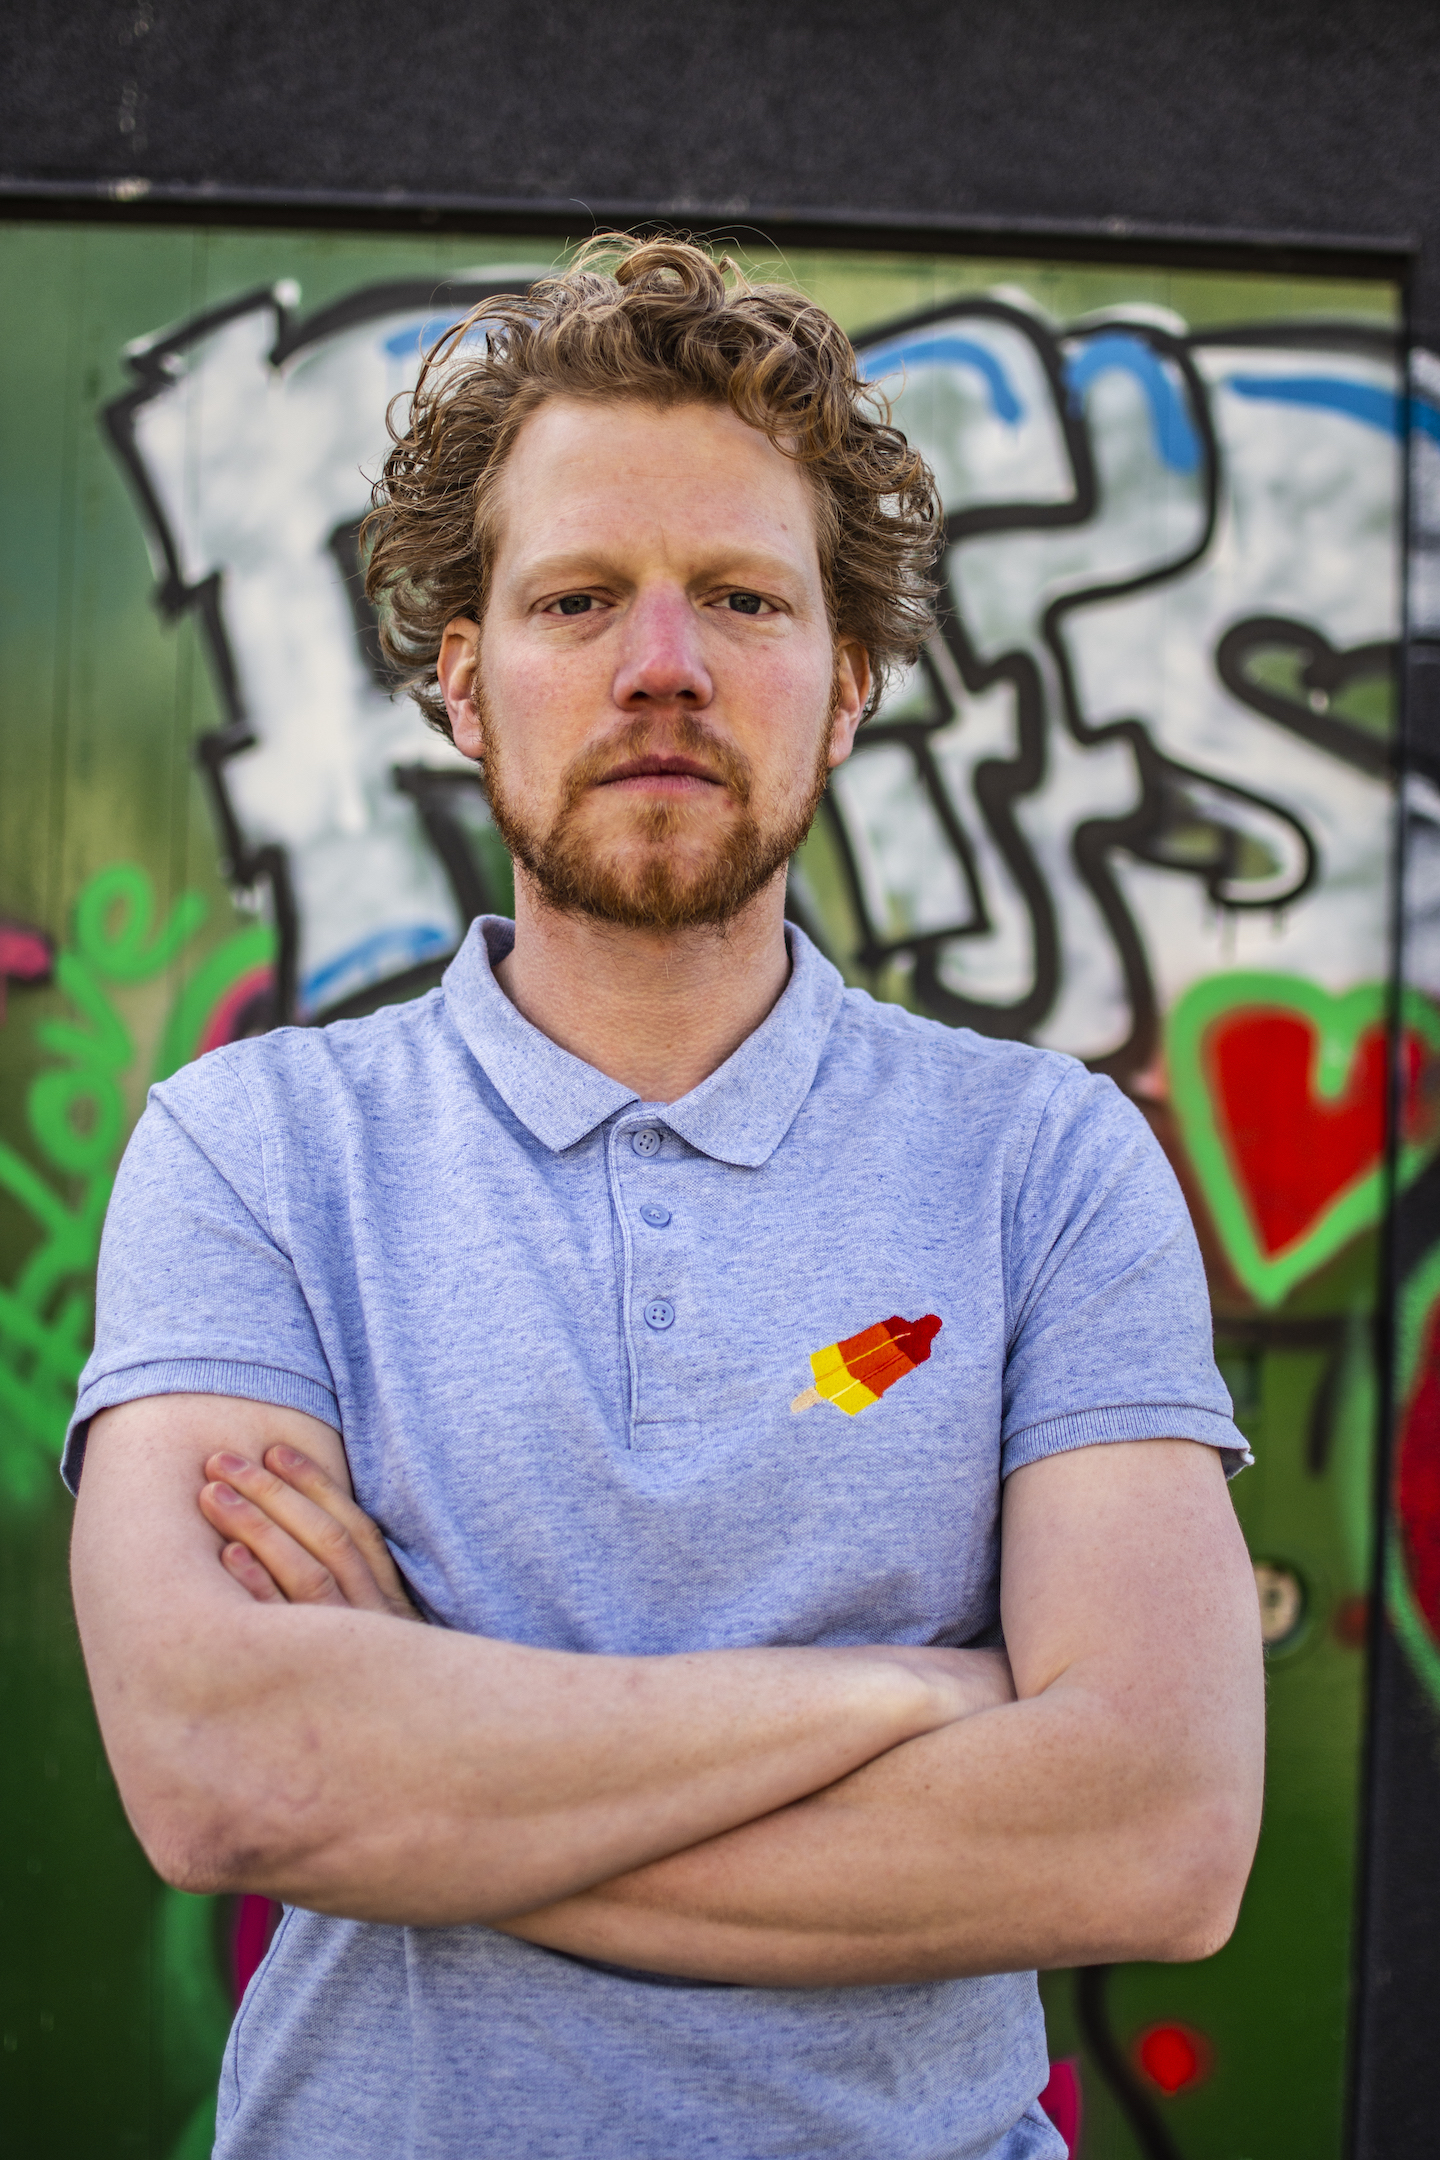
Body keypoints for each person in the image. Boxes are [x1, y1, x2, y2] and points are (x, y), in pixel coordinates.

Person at [67, 237, 1264, 2160]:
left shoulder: (1044, 1162)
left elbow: (1158, 1833)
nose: (662, 668)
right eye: (575, 599)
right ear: (464, 682)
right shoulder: (254, 1148)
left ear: (849, 680)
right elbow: (229, 1779)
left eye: (740, 598)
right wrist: (909, 1693)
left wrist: (427, 1768)